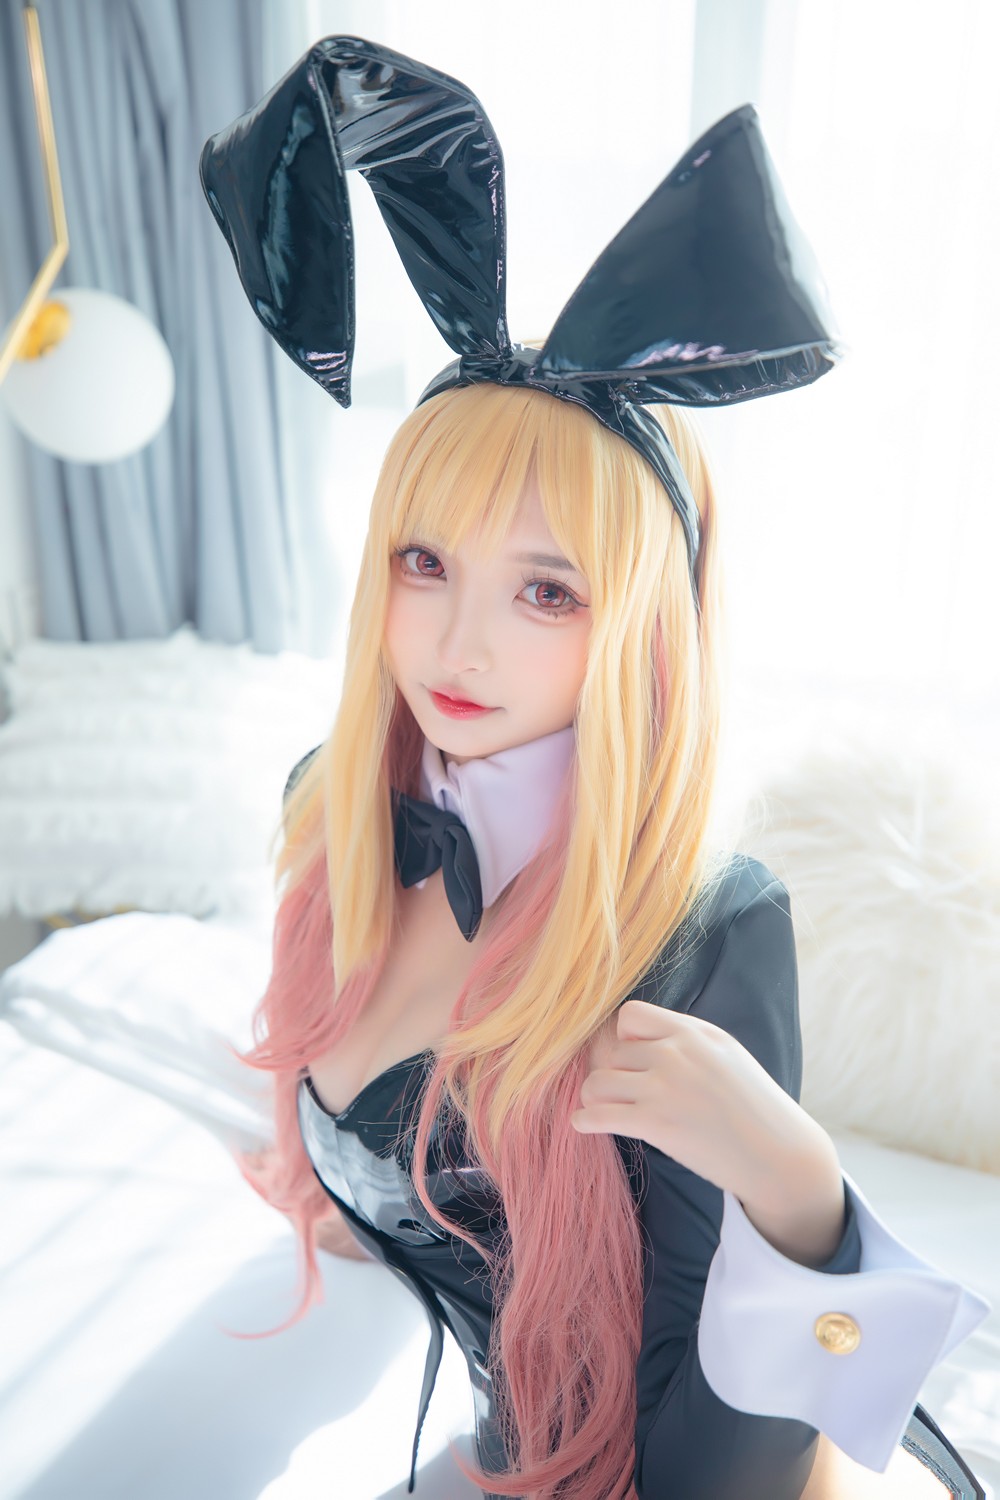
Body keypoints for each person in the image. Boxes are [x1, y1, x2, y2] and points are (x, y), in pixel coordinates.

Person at [200, 36, 991, 1500]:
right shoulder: (335, 811)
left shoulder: (701, 938)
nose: (461, 643)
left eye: (547, 591)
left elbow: (716, 1479)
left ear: (638, 628)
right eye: (425, 562)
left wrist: (798, 1189)